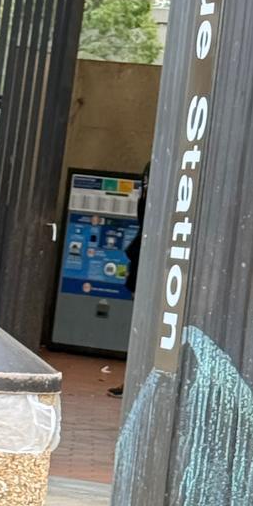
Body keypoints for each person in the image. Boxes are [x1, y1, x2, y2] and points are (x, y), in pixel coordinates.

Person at [107, 166, 150, 400]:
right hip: (144, 255)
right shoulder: (153, 170)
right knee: (142, 324)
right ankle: (135, 377)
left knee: (145, 325)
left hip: (148, 257)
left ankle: (136, 378)